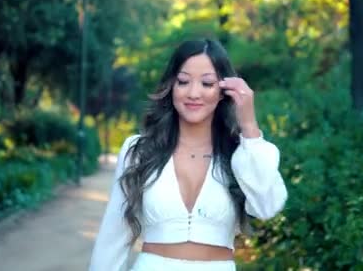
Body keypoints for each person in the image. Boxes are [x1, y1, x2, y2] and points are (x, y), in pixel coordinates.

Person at [89, 39, 287, 271]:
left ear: (223, 91)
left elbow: (267, 207)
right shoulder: (140, 150)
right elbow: (114, 236)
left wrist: (249, 127)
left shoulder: (242, 153)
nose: (194, 93)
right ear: (171, 85)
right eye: (183, 81)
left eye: (207, 83)